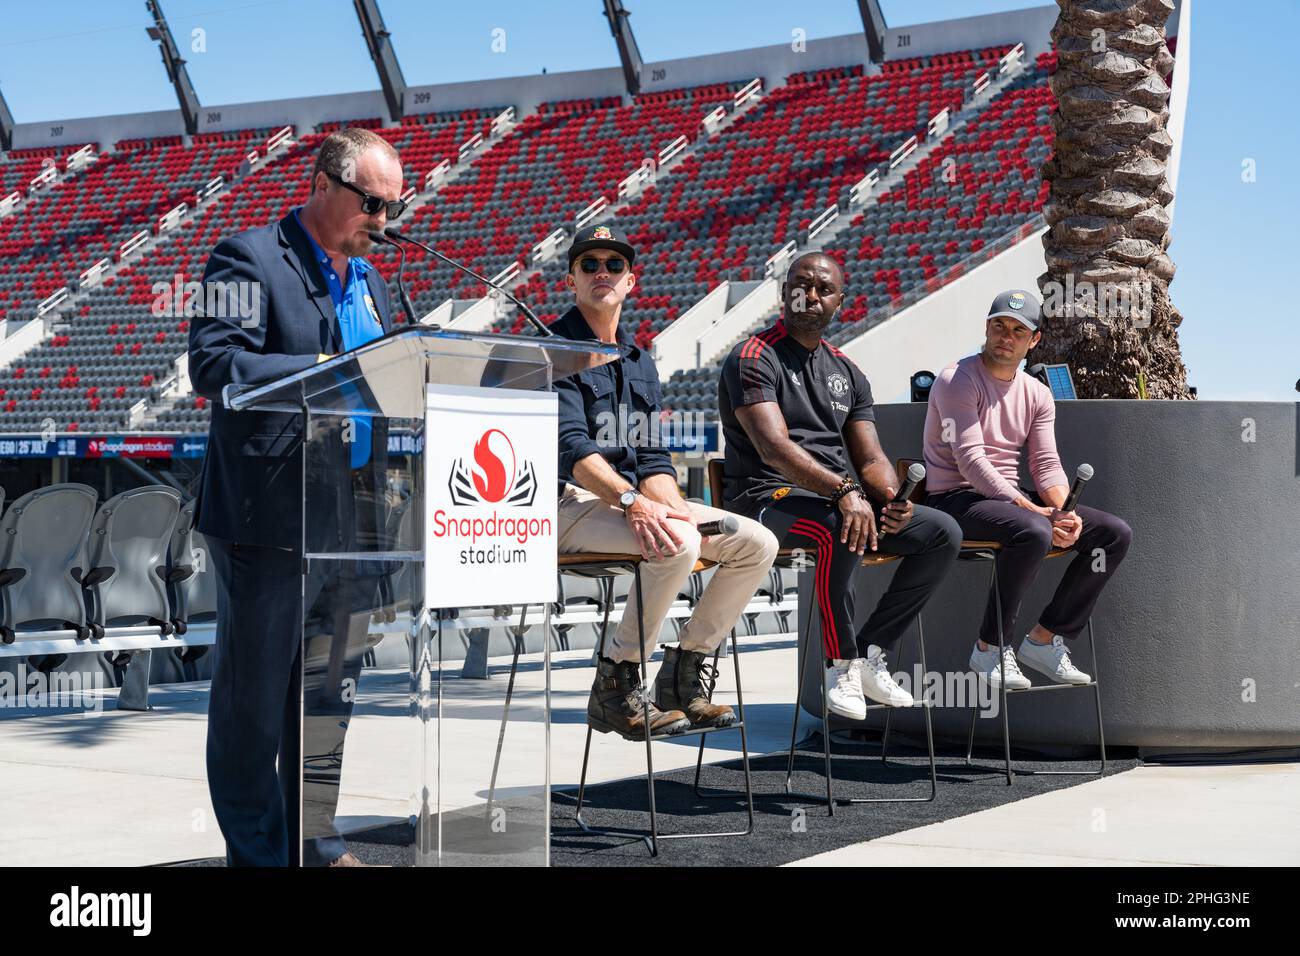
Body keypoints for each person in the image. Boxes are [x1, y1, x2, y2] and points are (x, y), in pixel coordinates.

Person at [189, 127, 407, 866]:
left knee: (325, 699)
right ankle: (256, 854)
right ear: (323, 184)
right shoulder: (243, 255)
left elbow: (396, 369)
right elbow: (213, 365)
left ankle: (313, 838)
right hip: (268, 516)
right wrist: (323, 367)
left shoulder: (374, 279)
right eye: (373, 203)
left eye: (393, 206)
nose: (385, 220)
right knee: (253, 703)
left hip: (353, 517)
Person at [552, 223, 779, 739]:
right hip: (567, 504)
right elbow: (571, 450)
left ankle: (682, 677)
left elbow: (653, 459)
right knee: (676, 543)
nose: (602, 272)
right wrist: (635, 503)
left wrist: (672, 506)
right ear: (571, 280)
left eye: (614, 265)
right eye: (589, 264)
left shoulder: (639, 361)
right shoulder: (555, 349)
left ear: (631, 282)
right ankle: (615, 685)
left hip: (629, 502)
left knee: (755, 543)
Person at [718, 252, 961, 720]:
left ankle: (870, 653)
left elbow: (870, 457)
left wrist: (891, 499)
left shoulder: (847, 371)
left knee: (941, 532)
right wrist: (846, 492)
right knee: (837, 525)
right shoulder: (753, 356)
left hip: (831, 497)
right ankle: (840, 666)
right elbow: (773, 448)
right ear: (783, 291)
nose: (810, 296)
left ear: (839, 302)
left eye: (823, 289)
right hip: (765, 498)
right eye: (801, 285)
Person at [923, 289, 1133, 688]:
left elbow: (1045, 465)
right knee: (1033, 530)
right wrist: (1033, 511)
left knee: (1112, 534)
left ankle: (1045, 639)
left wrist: (1062, 511)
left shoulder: (1037, 393)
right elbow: (971, 460)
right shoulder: (957, 378)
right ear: (986, 328)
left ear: (1033, 340)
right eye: (999, 325)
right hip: (955, 498)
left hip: (1008, 501)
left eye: (1019, 330)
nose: (1007, 335)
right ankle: (989, 649)